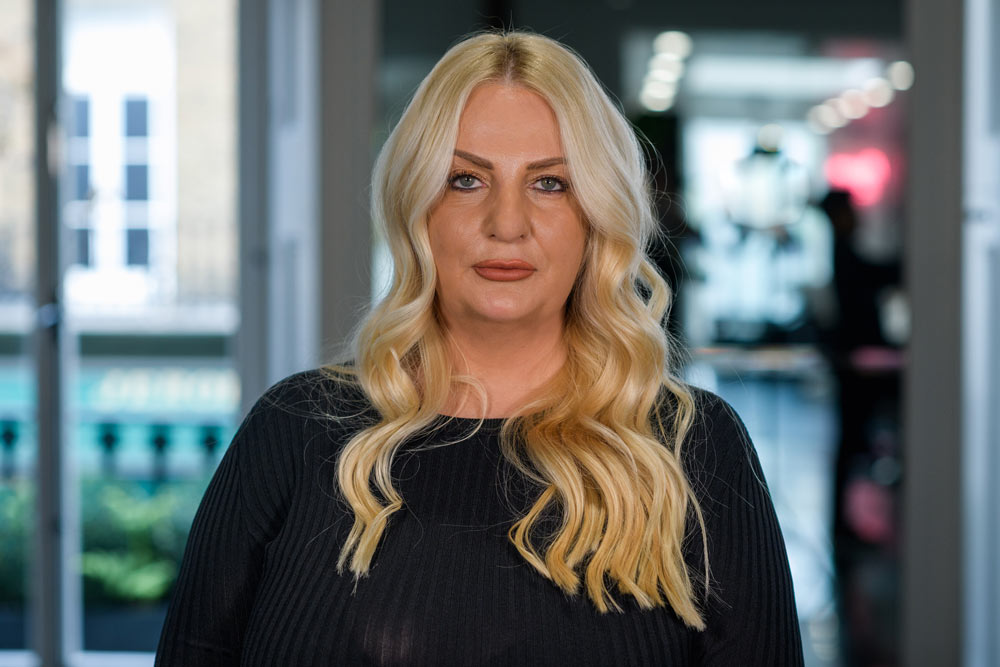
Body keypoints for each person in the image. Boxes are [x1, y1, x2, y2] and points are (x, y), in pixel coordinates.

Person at [155, 31, 802, 665]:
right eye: (465, 180)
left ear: (597, 215)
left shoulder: (694, 448)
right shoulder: (294, 428)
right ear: (416, 205)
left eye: (550, 183)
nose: (507, 224)